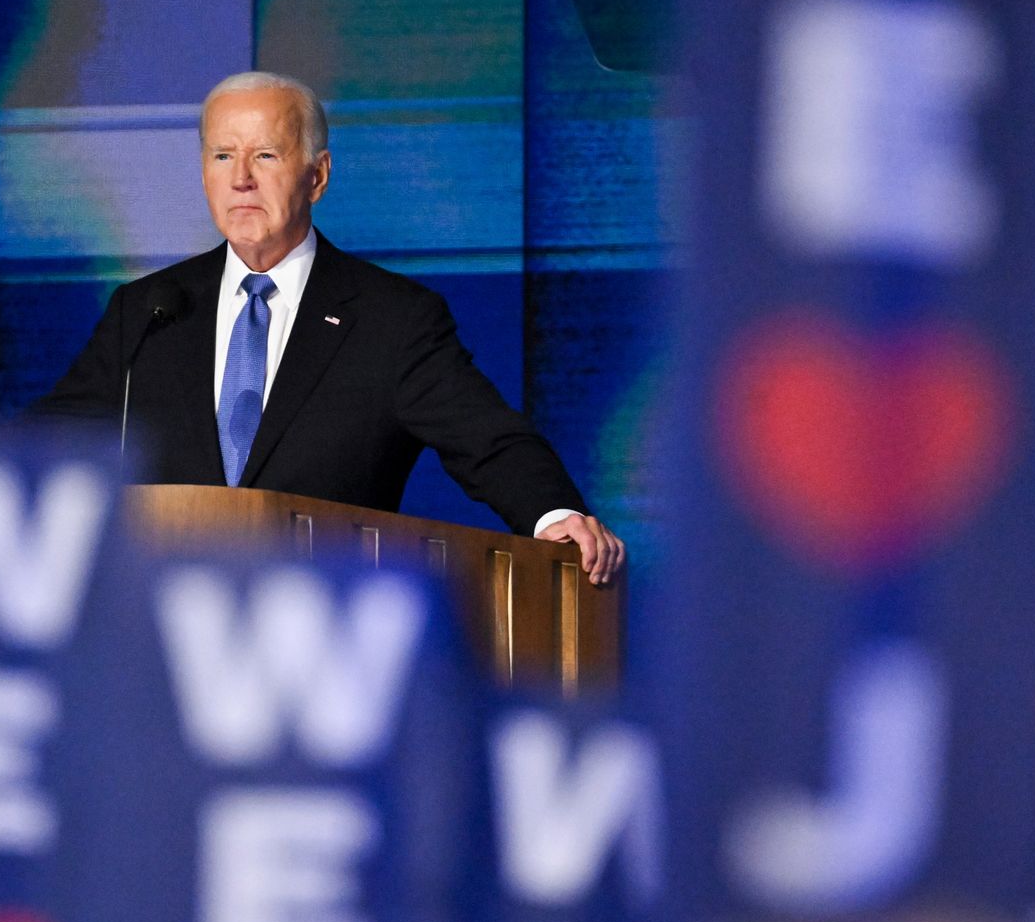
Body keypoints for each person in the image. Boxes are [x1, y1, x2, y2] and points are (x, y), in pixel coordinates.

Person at [37, 71, 625, 584]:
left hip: (327, 635)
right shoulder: (146, 312)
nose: (240, 177)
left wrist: (555, 516)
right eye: (222, 155)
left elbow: (488, 441)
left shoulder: (392, 318)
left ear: (317, 177)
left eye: (265, 155)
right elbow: (48, 443)